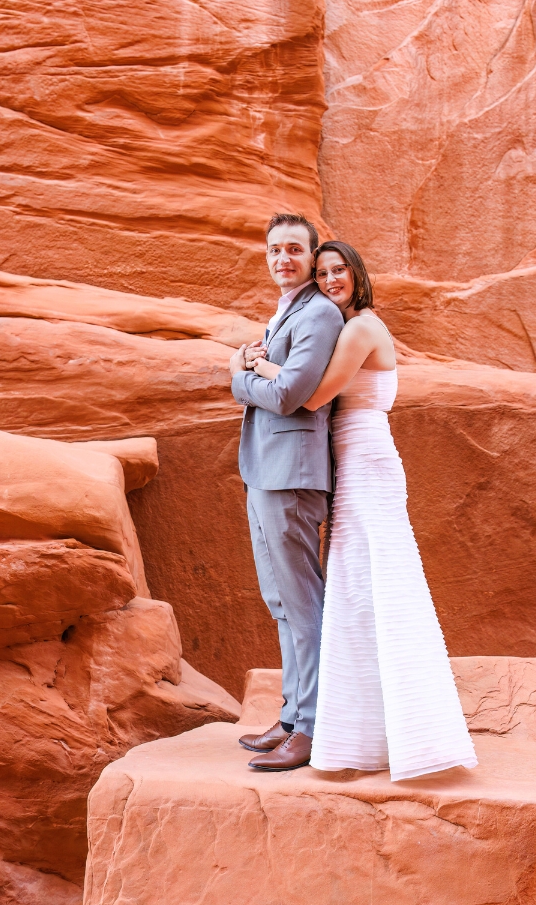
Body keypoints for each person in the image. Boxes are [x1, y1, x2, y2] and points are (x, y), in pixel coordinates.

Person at [251, 241, 477, 781]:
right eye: (323, 272)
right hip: (352, 457)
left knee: (375, 584)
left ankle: (385, 729)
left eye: (339, 271)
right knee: (356, 587)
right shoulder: (351, 324)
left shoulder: (359, 329)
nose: (330, 280)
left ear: (357, 274)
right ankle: (350, 726)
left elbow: (308, 397)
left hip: (366, 459)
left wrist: (261, 364)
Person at [229, 214, 344, 772]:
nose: (283, 259)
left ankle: (316, 727)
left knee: (301, 602)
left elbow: (292, 393)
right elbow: (260, 384)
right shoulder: (286, 311)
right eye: (275, 250)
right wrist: (252, 371)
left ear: (311, 255)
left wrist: (241, 372)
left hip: (292, 477)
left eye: (294, 250)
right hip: (265, 472)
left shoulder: (319, 313)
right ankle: (295, 715)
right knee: (281, 601)